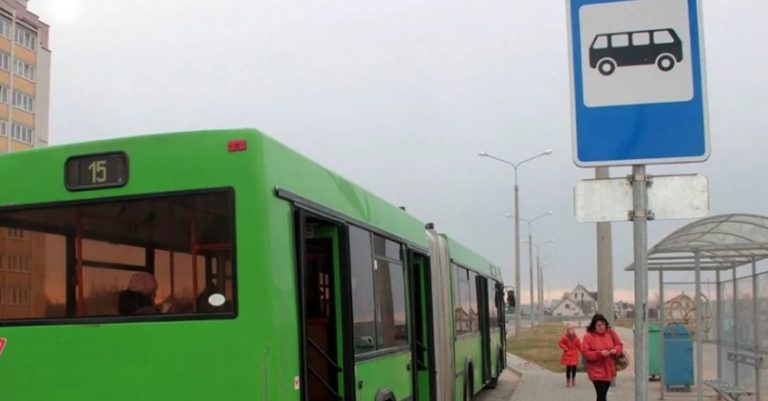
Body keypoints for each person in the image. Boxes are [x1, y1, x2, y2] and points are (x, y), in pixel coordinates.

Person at [581, 314, 623, 401]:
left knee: (602, 394)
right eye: (599, 325)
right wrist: (599, 354)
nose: (601, 327)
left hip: (609, 368)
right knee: (601, 395)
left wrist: (615, 350)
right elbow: (585, 353)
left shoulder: (610, 333)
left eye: (603, 324)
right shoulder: (588, 337)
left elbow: (619, 345)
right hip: (596, 370)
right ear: (594, 326)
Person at [559, 322, 581, 387]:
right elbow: (560, 343)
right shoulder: (565, 337)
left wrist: (583, 351)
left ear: (574, 330)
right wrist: (565, 348)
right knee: (568, 368)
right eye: (570, 330)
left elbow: (580, 346)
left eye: (572, 329)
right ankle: (568, 380)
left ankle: (573, 379)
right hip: (567, 354)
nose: (571, 331)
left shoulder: (576, 338)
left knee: (574, 368)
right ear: (567, 330)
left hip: (574, 354)